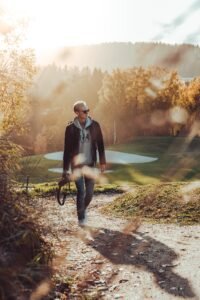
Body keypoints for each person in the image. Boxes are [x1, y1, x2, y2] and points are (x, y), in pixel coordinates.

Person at [62, 100, 106, 226]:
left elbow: (101, 144)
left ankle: (82, 209)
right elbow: (67, 150)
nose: (87, 112)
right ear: (77, 112)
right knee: (81, 191)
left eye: (87, 110)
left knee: (90, 193)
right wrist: (65, 170)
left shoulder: (95, 125)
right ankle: (81, 218)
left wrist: (102, 161)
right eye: (84, 110)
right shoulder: (70, 129)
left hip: (90, 164)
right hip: (76, 166)